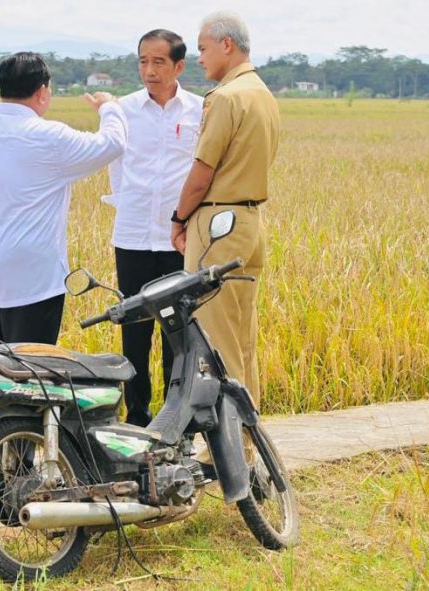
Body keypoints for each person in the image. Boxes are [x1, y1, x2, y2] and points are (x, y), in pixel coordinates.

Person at [0, 52, 127, 346]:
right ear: (43, 91)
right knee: (31, 372)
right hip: (30, 276)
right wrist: (109, 108)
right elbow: (112, 144)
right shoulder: (50, 138)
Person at [171, 12, 280, 409]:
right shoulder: (263, 94)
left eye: (202, 48)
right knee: (243, 341)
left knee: (214, 343)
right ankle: (248, 446)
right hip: (251, 224)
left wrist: (179, 218)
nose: (199, 57)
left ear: (226, 45)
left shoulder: (225, 98)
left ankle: (227, 454)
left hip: (218, 225)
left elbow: (202, 172)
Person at [103, 30, 203, 427]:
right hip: (131, 236)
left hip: (178, 239)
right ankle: (137, 418)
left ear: (179, 66)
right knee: (134, 333)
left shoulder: (200, 110)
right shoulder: (123, 110)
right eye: (143, 61)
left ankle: (176, 418)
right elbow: (115, 167)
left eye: (159, 62)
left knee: (178, 334)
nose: (149, 70)